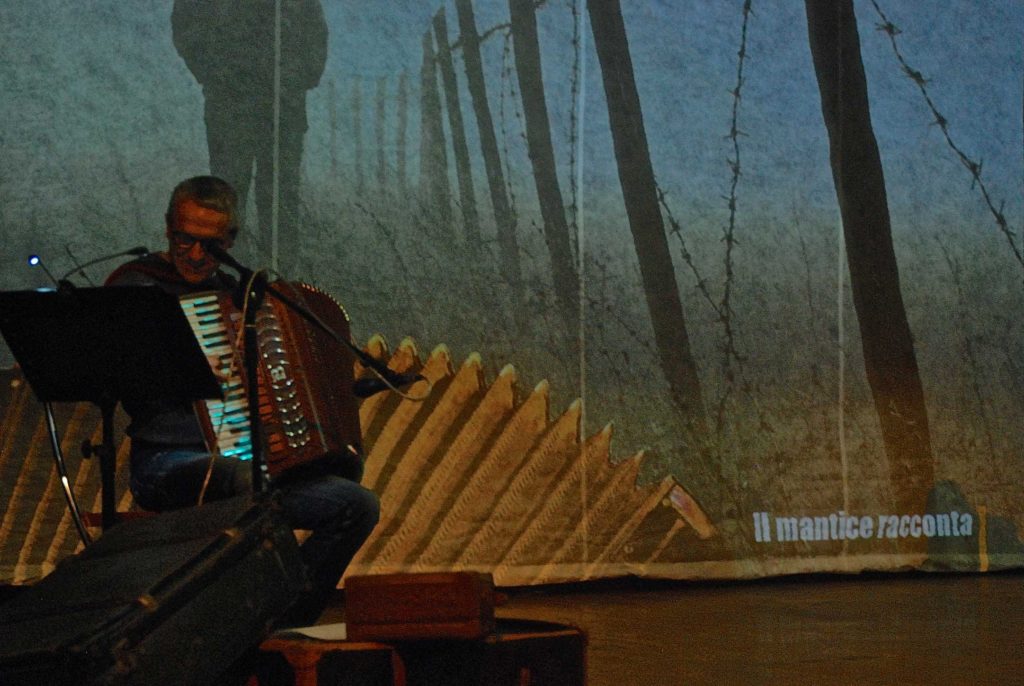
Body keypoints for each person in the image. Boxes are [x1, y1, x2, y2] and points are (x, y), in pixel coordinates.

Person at [105, 175, 378, 626]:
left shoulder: (240, 297)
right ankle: (238, 621)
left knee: (355, 503)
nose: (195, 254)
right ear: (168, 227)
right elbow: (117, 380)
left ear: (230, 240)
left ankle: (280, 619)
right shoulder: (136, 288)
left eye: (210, 244)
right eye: (184, 239)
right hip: (166, 463)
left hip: (250, 470)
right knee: (244, 478)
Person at [171, 0, 328, 275]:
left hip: (282, 106)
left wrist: (297, 77)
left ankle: (281, 278)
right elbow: (186, 20)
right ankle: (230, 274)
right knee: (227, 195)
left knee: (280, 196)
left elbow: (315, 30)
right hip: (231, 104)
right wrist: (213, 71)